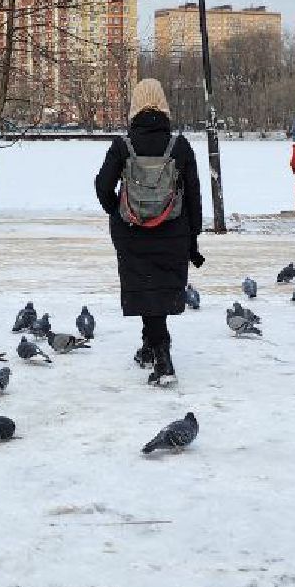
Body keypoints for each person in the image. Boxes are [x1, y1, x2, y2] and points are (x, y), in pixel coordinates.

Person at [94, 78, 204, 385]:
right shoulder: (178, 146)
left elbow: (102, 186)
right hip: (173, 232)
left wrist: (117, 212)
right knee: (159, 291)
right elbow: (193, 197)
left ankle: (161, 353)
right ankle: (150, 347)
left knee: (145, 289)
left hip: (132, 233)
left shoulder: (123, 146)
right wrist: (192, 239)